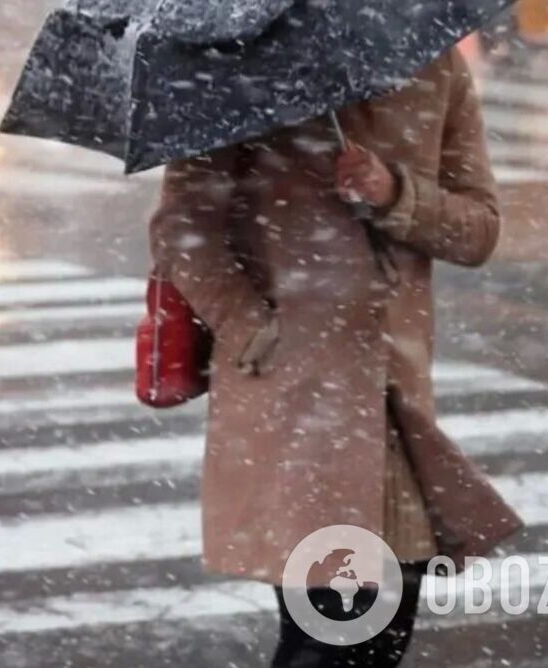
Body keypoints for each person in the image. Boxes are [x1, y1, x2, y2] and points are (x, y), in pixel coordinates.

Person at [149, 47, 522, 667]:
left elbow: (479, 230)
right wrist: (256, 331)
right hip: (296, 408)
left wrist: (394, 193)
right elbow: (183, 229)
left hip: (398, 414)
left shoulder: (435, 66)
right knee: (330, 637)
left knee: (381, 637)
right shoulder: (243, 69)